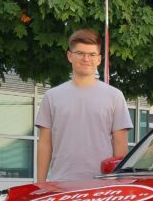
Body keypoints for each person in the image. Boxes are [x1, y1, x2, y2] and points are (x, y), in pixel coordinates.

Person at [36, 29, 133, 182]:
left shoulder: (115, 96)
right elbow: (45, 143)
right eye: (80, 53)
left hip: (103, 186)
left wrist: (119, 184)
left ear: (99, 59)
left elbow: (120, 144)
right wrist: (40, 185)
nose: (86, 59)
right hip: (60, 184)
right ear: (70, 56)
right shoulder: (52, 97)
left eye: (92, 54)